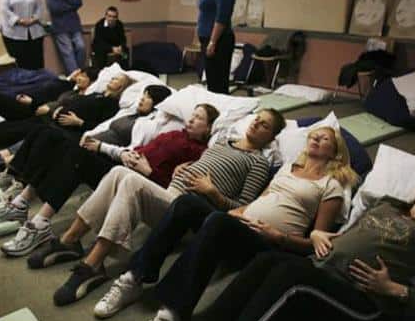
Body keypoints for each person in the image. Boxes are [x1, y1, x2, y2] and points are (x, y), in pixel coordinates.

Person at [99, 127, 359, 321]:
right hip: (241, 226)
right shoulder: (288, 169)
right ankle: (135, 277)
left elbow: (316, 242)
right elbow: (259, 202)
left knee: (218, 221)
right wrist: (236, 213)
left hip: (270, 244)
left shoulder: (332, 185)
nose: (316, 138)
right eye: (313, 135)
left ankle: (173, 317)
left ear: (335, 151)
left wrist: (279, 236)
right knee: (187, 203)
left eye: (324, 138)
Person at [181, 169, 415, 321]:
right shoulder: (386, 206)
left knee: (291, 276)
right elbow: (343, 239)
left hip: (359, 300)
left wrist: (394, 289)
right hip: (318, 268)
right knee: (268, 260)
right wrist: (317, 235)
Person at [47, 109, 286, 307]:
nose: (257, 124)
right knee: (118, 171)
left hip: (191, 213)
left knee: (129, 181)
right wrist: (179, 170)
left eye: (264, 125)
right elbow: (201, 166)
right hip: (170, 193)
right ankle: (71, 239)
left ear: (271, 137)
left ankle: (92, 265)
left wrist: (212, 192)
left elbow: (243, 208)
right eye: (257, 119)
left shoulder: (258, 162)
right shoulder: (223, 142)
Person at [0, 88, 204, 258]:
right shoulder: (171, 133)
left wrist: (147, 171)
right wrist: (119, 151)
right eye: (191, 116)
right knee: (52, 137)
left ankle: (40, 223)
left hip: (138, 179)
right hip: (121, 162)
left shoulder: (198, 152)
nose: (191, 120)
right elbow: (135, 149)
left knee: (76, 157)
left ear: (210, 128)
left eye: (198, 118)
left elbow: (171, 190)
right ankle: (21, 203)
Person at [0, 73, 132, 155]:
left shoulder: (110, 105)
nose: (111, 80)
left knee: (6, 129)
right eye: (112, 77)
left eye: (117, 80)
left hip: (53, 124)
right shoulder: (93, 94)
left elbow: (100, 127)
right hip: (42, 113)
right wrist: (41, 105)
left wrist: (79, 122)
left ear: (122, 88)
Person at [198, 0, 236, 94]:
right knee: (212, 82)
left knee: (217, 84)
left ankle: (219, 107)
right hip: (208, 39)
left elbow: (222, 17)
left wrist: (212, 42)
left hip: (219, 40)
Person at [0, 0, 46, 70]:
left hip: (34, 32)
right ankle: (23, 80)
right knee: (21, 63)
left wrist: (34, 19)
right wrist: (19, 20)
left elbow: (40, 6)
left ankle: (37, 80)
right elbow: (4, 9)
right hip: (15, 33)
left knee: (36, 62)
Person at [46, 0, 86, 74]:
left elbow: (79, 2)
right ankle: (76, 76)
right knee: (68, 51)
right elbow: (55, 9)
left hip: (75, 27)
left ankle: (79, 72)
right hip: (60, 28)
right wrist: (71, 7)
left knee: (81, 47)